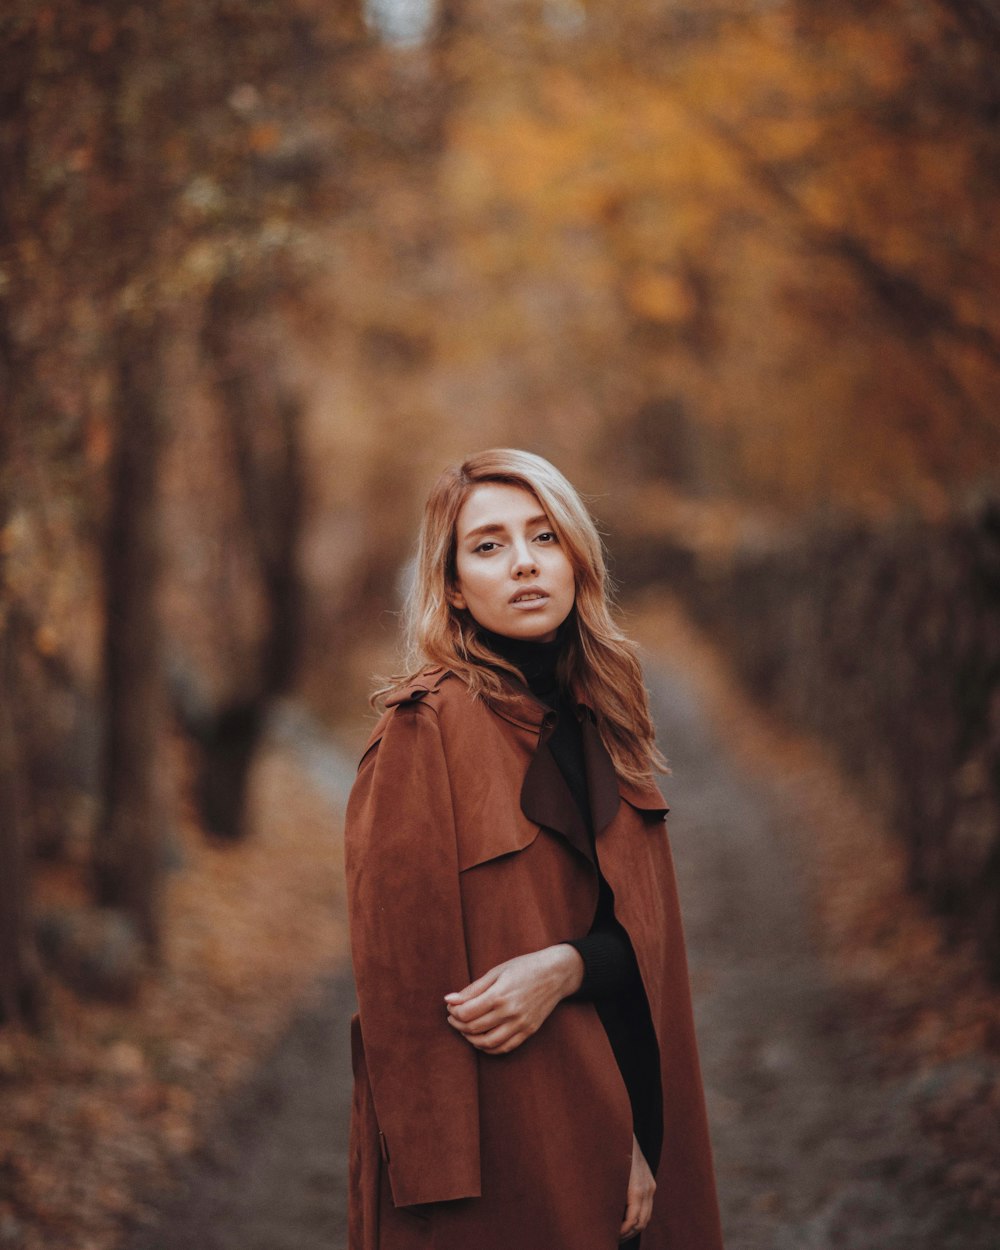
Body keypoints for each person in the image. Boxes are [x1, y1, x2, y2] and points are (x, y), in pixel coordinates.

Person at [345, 449, 723, 1250]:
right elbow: (403, 989)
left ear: (576, 558)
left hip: (623, 1127)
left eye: (544, 537)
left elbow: (644, 946)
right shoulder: (425, 729)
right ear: (451, 585)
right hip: (502, 1172)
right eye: (488, 546)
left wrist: (567, 968)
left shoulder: (606, 712)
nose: (523, 563)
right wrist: (436, 1202)